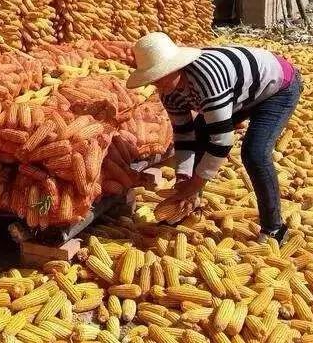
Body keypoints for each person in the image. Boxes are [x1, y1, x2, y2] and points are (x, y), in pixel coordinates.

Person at [125, 32, 303, 243]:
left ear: (175, 66)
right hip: (239, 92)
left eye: (160, 75)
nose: (157, 84)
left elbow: (222, 141)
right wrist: (183, 176)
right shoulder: (168, 92)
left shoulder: (207, 77)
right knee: (201, 132)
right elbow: (184, 134)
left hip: (278, 87)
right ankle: (187, 206)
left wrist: (195, 184)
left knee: (255, 153)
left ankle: (274, 229)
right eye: (153, 78)